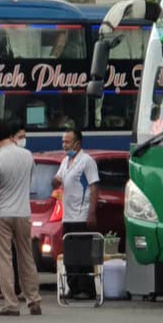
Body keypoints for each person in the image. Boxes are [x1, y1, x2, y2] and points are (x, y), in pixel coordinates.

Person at [0, 117, 42, 316]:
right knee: (26, 257)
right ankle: (34, 300)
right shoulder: (27, 156)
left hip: (1, 215)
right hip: (23, 213)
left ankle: (11, 303)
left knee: (4, 259)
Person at [55, 127, 101, 299]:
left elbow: (94, 187)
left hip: (81, 215)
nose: (64, 145)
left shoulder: (87, 161)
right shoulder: (65, 162)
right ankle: (73, 288)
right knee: (70, 254)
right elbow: (57, 180)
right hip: (68, 215)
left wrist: (92, 212)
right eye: (63, 142)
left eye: (67, 142)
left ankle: (86, 289)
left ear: (77, 143)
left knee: (82, 254)